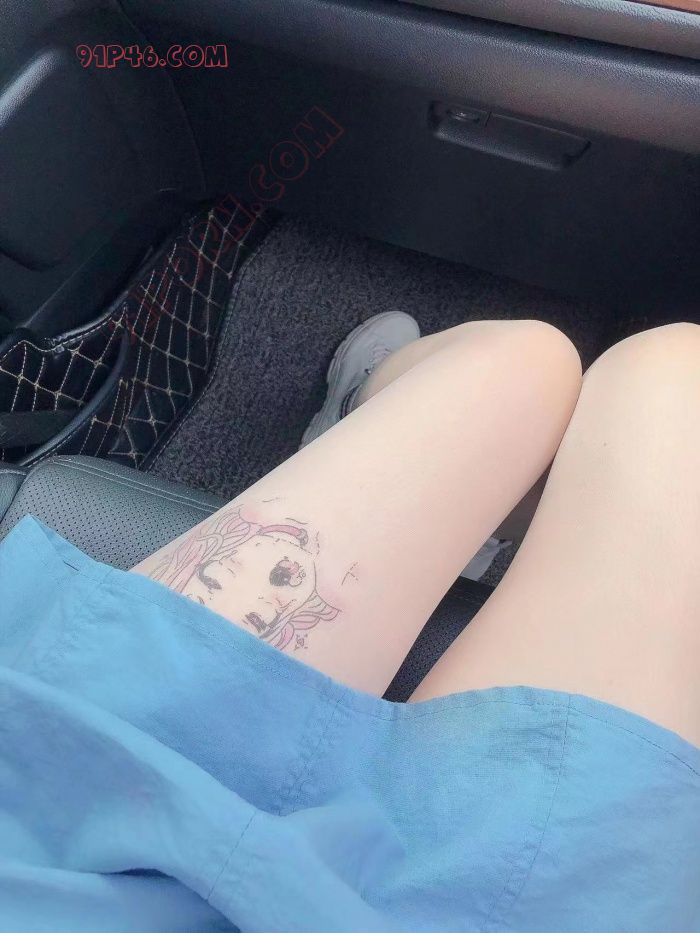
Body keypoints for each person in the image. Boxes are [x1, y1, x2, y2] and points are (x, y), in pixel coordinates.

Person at [0, 314, 698, 931]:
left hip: (79, 819)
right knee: (663, 371)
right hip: (506, 905)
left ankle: (389, 441)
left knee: (541, 364)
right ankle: (437, 460)